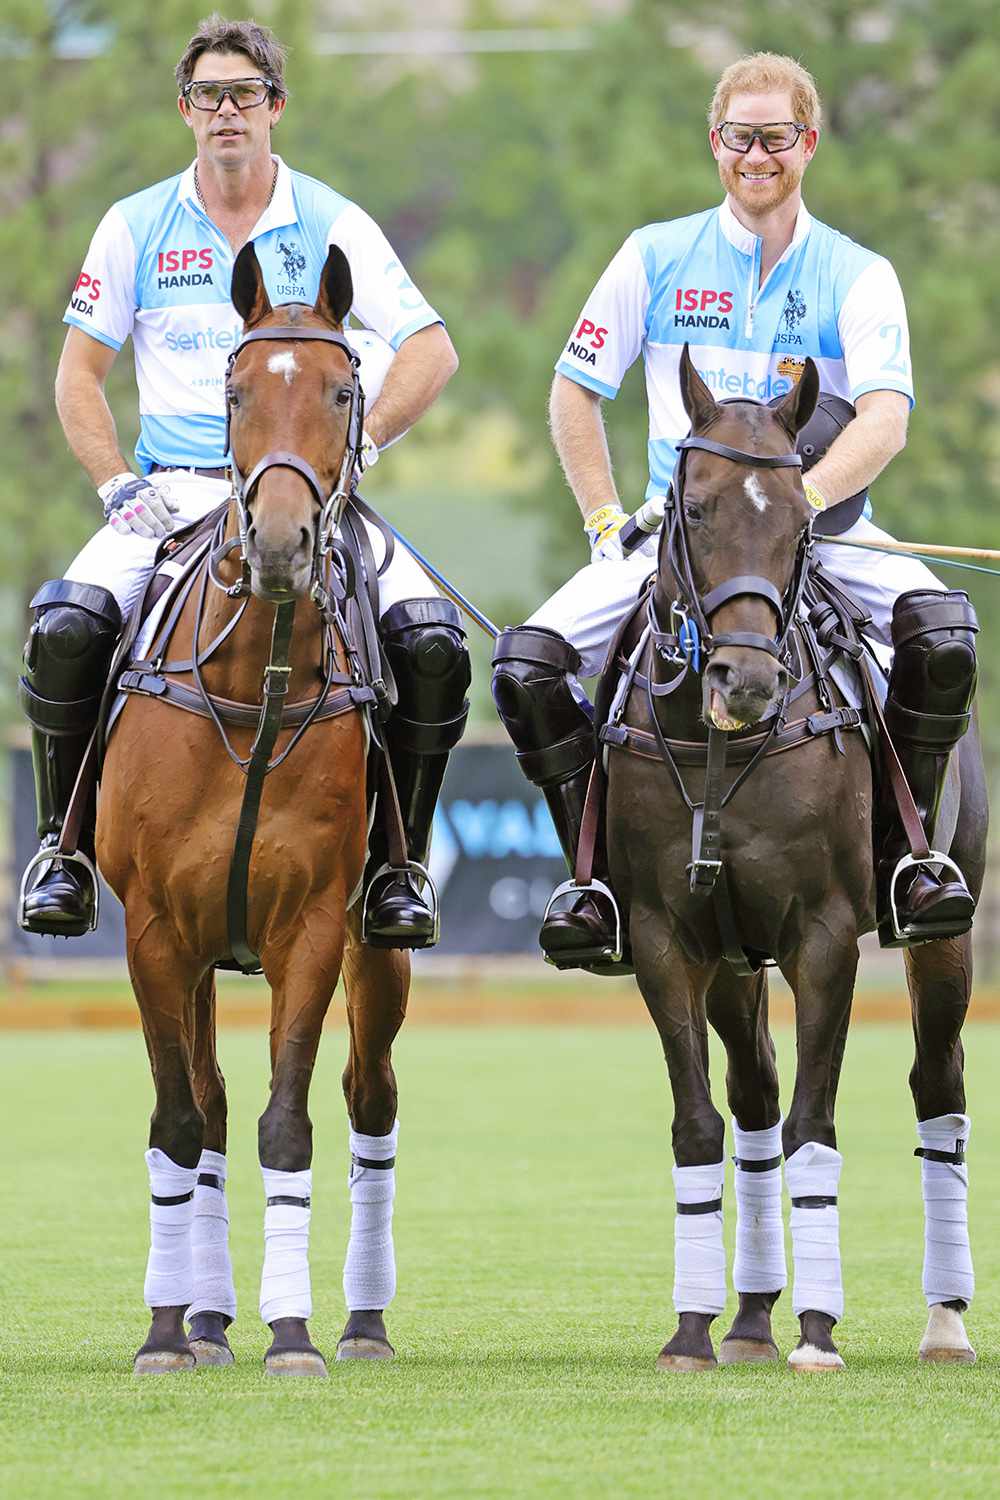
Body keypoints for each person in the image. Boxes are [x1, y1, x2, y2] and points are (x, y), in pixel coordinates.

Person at [492, 51, 978, 969]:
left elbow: (886, 416)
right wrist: (604, 523)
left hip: (822, 534)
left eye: (776, 137)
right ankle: (594, 880)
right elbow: (573, 392)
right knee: (525, 667)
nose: (758, 155)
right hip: (681, 544)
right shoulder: (656, 254)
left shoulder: (857, 273)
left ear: (810, 144)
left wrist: (805, 503)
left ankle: (906, 862)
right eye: (740, 137)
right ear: (716, 144)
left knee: (945, 636)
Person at [19, 15, 469, 950]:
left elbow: (432, 349)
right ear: (185, 111)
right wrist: (113, 483)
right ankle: (61, 849)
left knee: (430, 643)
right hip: (176, 490)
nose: (228, 112)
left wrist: (365, 444)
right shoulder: (133, 223)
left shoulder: (333, 220)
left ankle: (398, 863)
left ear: (276, 109)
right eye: (210, 96)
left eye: (246, 94)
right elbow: (77, 377)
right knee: (65, 627)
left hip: (307, 493)